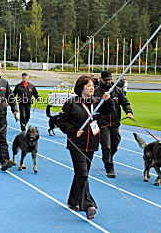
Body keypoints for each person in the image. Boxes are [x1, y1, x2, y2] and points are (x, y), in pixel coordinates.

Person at [58, 75, 112, 220]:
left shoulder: (97, 103)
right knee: (83, 173)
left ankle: (73, 200)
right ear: (81, 87)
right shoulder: (71, 103)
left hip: (92, 143)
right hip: (76, 143)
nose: (91, 88)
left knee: (81, 174)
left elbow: (108, 112)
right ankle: (89, 204)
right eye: (88, 85)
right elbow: (60, 121)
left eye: (93, 86)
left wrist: (108, 100)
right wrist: (73, 131)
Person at [94, 70, 133, 178]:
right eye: (106, 80)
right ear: (101, 79)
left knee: (115, 143)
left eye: (110, 79)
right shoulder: (97, 91)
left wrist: (129, 112)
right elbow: (93, 104)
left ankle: (107, 157)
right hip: (103, 123)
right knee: (106, 145)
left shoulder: (118, 90)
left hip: (115, 122)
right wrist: (102, 99)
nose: (108, 81)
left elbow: (125, 102)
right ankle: (109, 168)